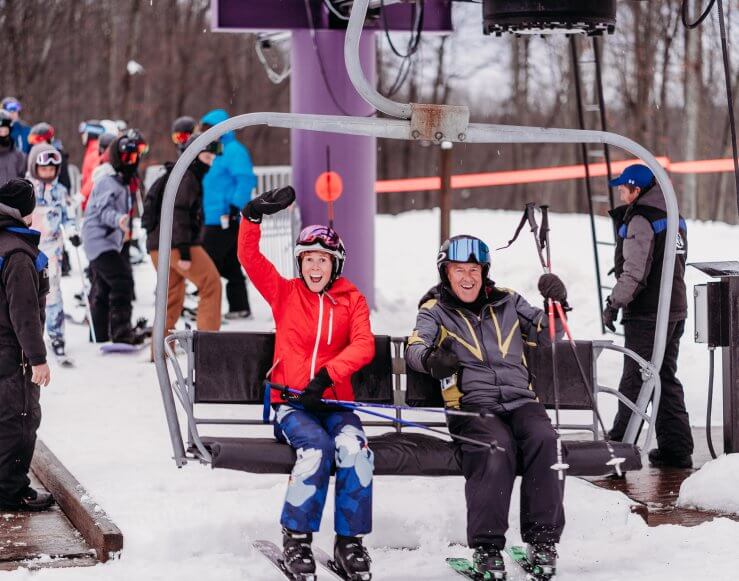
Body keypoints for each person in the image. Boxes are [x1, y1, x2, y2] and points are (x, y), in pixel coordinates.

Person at [405, 235, 567, 579]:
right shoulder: (434, 310)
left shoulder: (508, 301)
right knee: (496, 448)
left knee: (546, 440)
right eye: (458, 269)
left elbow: (549, 333)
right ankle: (487, 547)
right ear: (445, 273)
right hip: (472, 407)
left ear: (484, 271)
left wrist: (558, 304)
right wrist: (432, 360)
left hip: (520, 401)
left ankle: (541, 542)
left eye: (474, 269)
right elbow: (414, 347)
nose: (467, 277)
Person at [239, 187, 375, 581]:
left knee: (354, 450)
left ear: (336, 264)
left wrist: (328, 376)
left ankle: (350, 541)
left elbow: (364, 344)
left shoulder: (352, 300)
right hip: (293, 405)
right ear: (300, 264)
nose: (316, 268)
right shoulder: (285, 294)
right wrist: (251, 218)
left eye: (323, 260)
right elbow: (249, 258)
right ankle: (296, 537)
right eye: (308, 260)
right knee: (316, 450)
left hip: (334, 405)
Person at [602, 164, 693, 469]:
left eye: (623, 188)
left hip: (648, 314)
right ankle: (676, 448)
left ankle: (618, 450)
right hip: (674, 309)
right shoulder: (673, 214)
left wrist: (614, 302)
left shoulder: (642, 218)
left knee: (635, 379)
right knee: (663, 377)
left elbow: (635, 273)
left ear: (637, 190)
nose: (619, 192)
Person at [0, 178, 54, 512]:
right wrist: (37, 358)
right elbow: (24, 312)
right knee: (20, 418)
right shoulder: (18, 253)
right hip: (11, 352)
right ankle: (11, 490)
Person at [144, 133, 222, 334]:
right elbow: (179, 213)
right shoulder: (187, 177)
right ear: (195, 155)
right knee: (211, 284)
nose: (210, 163)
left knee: (172, 295)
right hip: (176, 245)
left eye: (212, 158)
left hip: (158, 246)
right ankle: (208, 344)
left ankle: (160, 349)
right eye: (207, 157)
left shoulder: (176, 174)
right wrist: (185, 252)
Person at [82, 130, 148, 344]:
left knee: (103, 287)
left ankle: (99, 335)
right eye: (127, 157)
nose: (132, 161)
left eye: (135, 156)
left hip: (106, 241)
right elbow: (102, 210)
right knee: (122, 280)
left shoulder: (122, 181)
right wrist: (119, 219)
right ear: (117, 158)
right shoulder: (107, 181)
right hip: (99, 240)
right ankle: (121, 332)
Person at [200, 108, 257, 319]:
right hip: (211, 215)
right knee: (231, 263)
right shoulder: (213, 150)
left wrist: (235, 206)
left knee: (207, 261)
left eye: (210, 129)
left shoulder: (233, 150)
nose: (206, 133)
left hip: (224, 215)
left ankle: (203, 306)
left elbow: (245, 179)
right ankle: (239, 306)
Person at [26, 144, 71, 360]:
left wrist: (72, 231)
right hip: (29, 246)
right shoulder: (27, 189)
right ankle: (28, 335)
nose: (48, 174)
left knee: (52, 291)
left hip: (52, 248)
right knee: (27, 290)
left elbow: (68, 216)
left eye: (52, 170)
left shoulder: (60, 191)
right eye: (43, 169)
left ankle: (56, 334)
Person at [28, 122, 72, 192]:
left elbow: (65, 182)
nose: (36, 145)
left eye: (38, 141)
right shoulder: (33, 154)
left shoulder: (57, 155)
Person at [0, 111, 25, 187]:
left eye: (5, 131)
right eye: (0, 131)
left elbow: (22, 180)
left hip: (12, 197)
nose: (2, 134)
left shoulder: (18, 155)